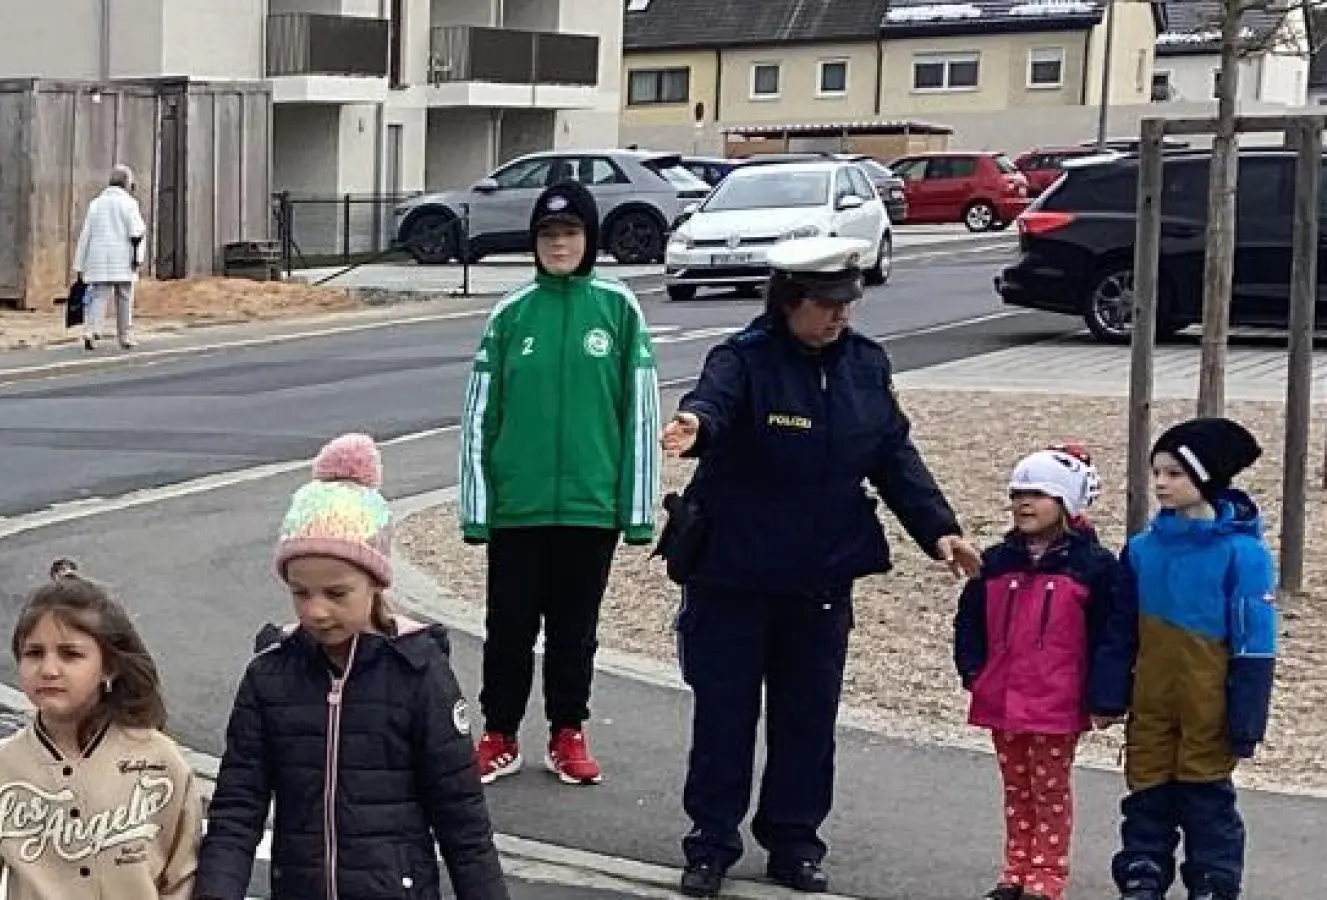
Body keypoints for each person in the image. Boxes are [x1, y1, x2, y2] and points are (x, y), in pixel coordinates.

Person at [657, 236, 981, 897]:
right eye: (824, 305)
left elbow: (893, 455)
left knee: (807, 719)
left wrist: (938, 531)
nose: (838, 317)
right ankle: (710, 844)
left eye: (845, 304)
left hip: (821, 575)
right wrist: (697, 425)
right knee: (724, 718)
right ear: (788, 303)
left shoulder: (864, 364)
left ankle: (794, 842)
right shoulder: (743, 359)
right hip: (734, 573)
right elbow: (711, 402)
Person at [196, 433, 510, 900]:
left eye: (337, 594)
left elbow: (461, 815)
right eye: (301, 593)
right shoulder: (269, 676)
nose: (316, 611)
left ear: (376, 583)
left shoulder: (419, 673)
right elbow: (238, 805)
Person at [458, 179, 661, 786]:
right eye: (549, 236)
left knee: (575, 631)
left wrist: (637, 509)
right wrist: (477, 505)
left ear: (589, 239)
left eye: (571, 233)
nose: (560, 245)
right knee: (510, 627)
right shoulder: (510, 314)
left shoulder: (619, 309)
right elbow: (479, 413)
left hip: (590, 507)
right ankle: (500, 733)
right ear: (534, 243)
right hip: (519, 509)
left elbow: (640, 412)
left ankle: (568, 731)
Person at [1093, 418, 1276, 900]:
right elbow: (1120, 628)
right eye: (1157, 472)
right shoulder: (1140, 550)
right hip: (1151, 703)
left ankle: (1213, 882)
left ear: (1207, 479)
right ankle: (1142, 874)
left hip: (1208, 706)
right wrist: (1108, 696)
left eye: (1174, 473)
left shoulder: (1243, 554)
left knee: (1207, 802)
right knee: (1146, 796)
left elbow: (1255, 645)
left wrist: (1246, 719)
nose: (1161, 483)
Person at [0, 569, 201, 899]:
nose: (49, 669)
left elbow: (182, 878)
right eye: (34, 653)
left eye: (70, 654)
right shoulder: (2, 769)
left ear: (109, 667)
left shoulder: (158, 762)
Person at [953, 445, 1125, 900]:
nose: (1025, 503)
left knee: (1050, 789)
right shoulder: (995, 562)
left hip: (1056, 699)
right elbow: (969, 620)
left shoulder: (1093, 566)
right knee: (1016, 788)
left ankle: (1047, 874)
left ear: (1066, 502)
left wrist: (1105, 696)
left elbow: (1110, 634)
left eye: (1039, 493)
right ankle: (1015, 869)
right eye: (1018, 493)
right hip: (1002, 695)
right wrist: (974, 672)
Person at [73, 163, 147, 351]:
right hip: (122, 259)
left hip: (98, 259)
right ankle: (125, 336)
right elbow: (137, 232)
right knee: (124, 297)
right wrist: (138, 258)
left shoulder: (96, 204)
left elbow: (86, 235)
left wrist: (80, 264)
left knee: (99, 296)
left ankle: (92, 331)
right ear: (127, 183)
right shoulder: (130, 204)